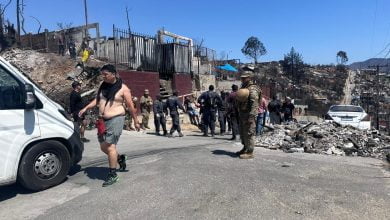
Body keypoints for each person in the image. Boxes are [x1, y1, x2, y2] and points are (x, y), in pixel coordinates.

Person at [79, 64, 140, 187]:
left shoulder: (124, 89)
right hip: (102, 121)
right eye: (102, 74)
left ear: (114, 74)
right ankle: (120, 159)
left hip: (116, 119)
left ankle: (113, 174)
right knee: (103, 147)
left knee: (110, 146)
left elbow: (130, 106)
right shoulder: (103, 86)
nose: (104, 76)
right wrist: (86, 108)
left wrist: (136, 121)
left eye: (106, 74)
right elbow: (98, 100)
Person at [236, 66, 261, 159]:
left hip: (249, 115)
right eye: (242, 78)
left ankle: (250, 151)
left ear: (249, 78)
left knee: (249, 133)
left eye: (244, 78)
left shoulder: (252, 89)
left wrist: (251, 116)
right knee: (243, 132)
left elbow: (254, 103)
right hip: (243, 114)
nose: (242, 79)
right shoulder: (244, 87)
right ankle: (245, 148)